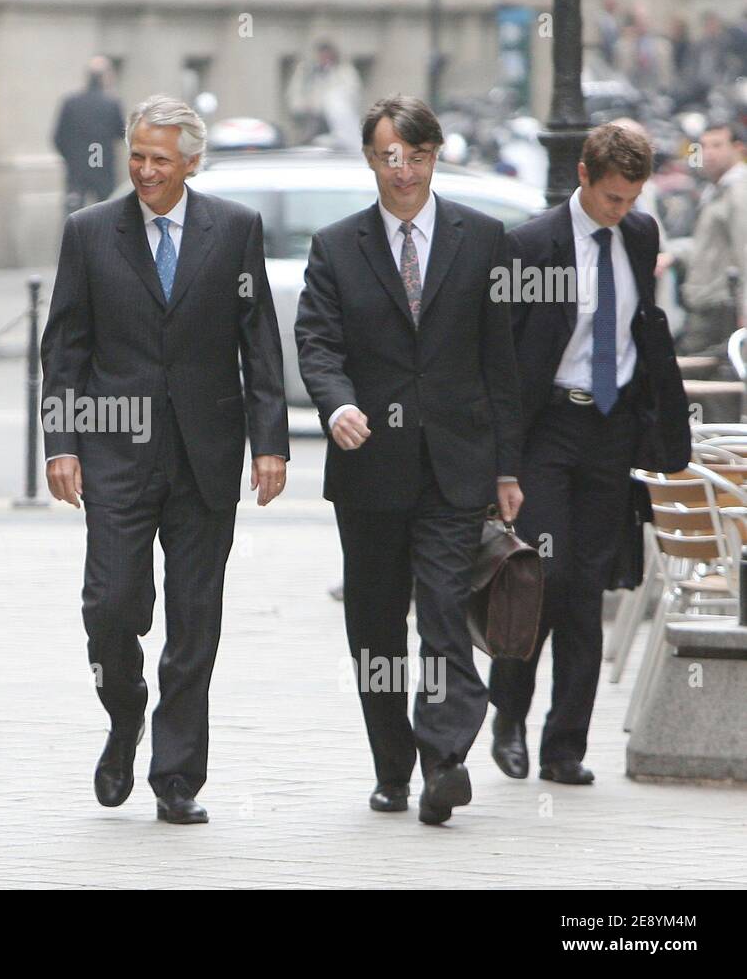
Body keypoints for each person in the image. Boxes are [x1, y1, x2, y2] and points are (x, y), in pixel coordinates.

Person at [41, 95, 289, 824]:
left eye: (159, 159)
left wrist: (270, 442)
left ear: (191, 162)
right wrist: (61, 443)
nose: (145, 171)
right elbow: (66, 348)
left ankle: (177, 775)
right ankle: (125, 715)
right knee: (112, 607)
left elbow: (259, 343)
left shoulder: (235, 230)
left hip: (206, 454)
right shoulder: (90, 232)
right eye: (137, 156)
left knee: (194, 620)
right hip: (116, 451)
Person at [295, 95, 523, 825]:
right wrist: (336, 405)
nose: (404, 171)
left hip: (456, 467)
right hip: (370, 470)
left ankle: (445, 757)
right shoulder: (336, 246)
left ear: (436, 155)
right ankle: (392, 768)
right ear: (371, 158)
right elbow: (318, 344)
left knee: (447, 613)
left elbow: (502, 363)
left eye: (417, 157)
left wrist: (507, 469)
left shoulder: (483, 238)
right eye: (390, 156)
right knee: (375, 628)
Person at [488, 124, 690, 785]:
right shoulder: (530, 244)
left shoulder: (639, 235)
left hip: (611, 430)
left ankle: (564, 748)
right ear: (583, 175)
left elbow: (640, 326)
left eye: (630, 198)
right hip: (549, 427)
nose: (619, 210)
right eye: (609, 197)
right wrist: (505, 464)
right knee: (542, 580)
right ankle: (509, 719)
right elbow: (506, 360)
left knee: (589, 589)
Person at [665, 121, 747, 366]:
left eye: (717, 145)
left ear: (739, 149)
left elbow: (745, 250)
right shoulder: (716, 190)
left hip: (722, 307)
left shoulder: (739, 191)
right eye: (703, 146)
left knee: (697, 377)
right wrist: (676, 254)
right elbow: (708, 247)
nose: (708, 153)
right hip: (707, 303)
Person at [52, 57, 125, 214]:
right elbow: (122, 133)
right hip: (102, 167)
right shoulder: (111, 104)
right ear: (104, 77)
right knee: (106, 216)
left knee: (73, 214)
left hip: (77, 169)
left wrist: (71, 157)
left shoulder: (70, 102)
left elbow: (58, 137)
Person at [285, 41, 362, 150]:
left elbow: (351, 93)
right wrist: (303, 106)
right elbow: (294, 94)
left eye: (327, 55)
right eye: (322, 55)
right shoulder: (306, 71)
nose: (324, 58)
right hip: (310, 117)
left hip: (334, 120)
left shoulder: (344, 71)